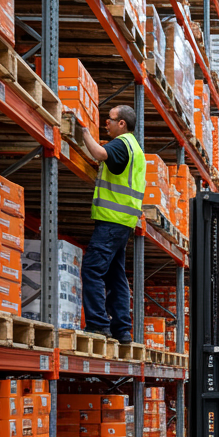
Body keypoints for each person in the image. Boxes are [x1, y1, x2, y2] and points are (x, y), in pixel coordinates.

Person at [76, 104, 145, 344]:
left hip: (110, 222)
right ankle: (122, 331)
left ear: (122, 124)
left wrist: (83, 131)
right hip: (123, 223)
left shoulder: (122, 143)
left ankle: (97, 324)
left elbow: (100, 154)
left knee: (92, 270)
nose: (106, 122)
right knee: (116, 276)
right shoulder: (136, 148)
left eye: (110, 119)